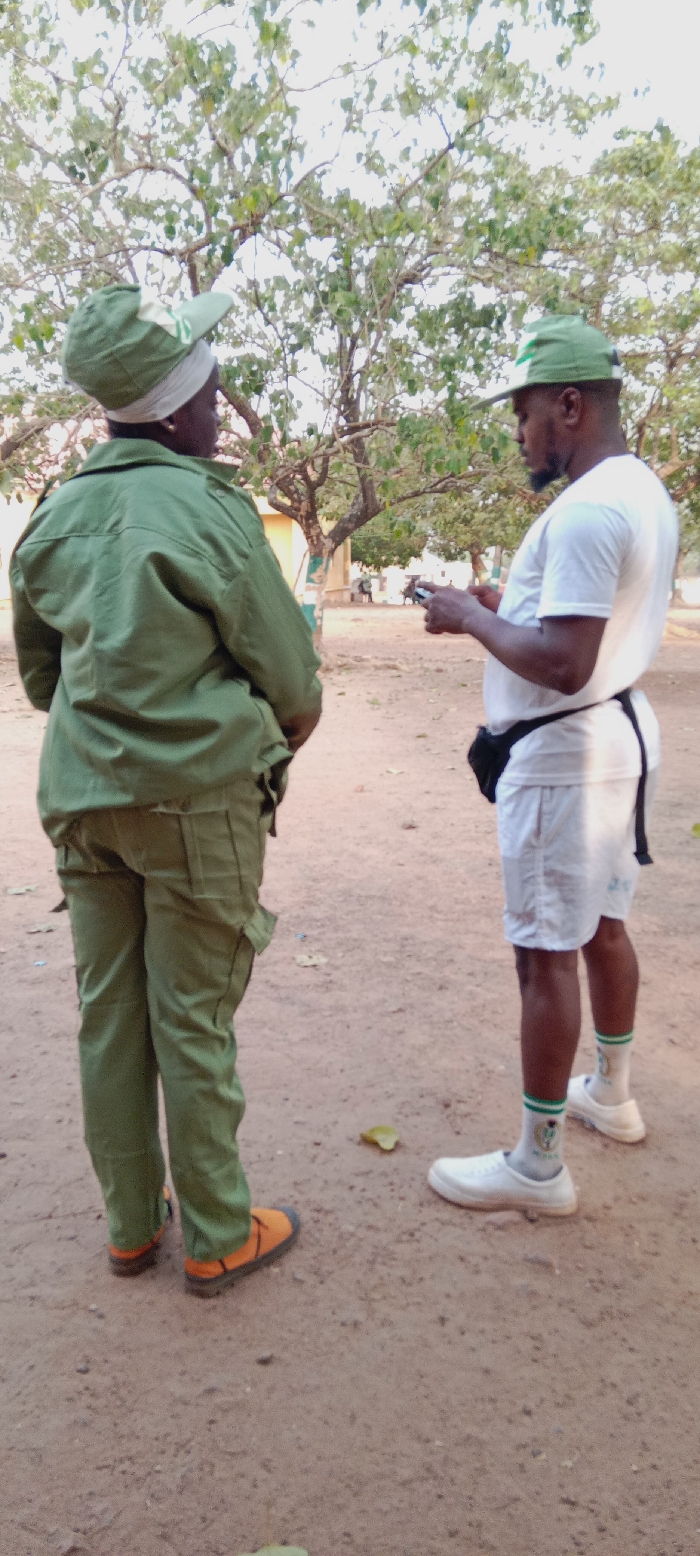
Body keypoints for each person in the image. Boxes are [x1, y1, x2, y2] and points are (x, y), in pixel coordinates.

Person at [10, 284, 322, 1292]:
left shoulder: (52, 516)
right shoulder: (211, 510)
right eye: (212, 395)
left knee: (110, 1014)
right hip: (196, 802)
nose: (218, 410)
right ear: (177, 413)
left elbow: (43, 680)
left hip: (82, 802)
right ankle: (220, 1230)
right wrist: (260, 737)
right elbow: (293, 683)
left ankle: (131, 1224)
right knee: (191, 1016)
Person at [421, 315, 677, 1216]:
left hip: (567, 755)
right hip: (615, 739)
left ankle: (537, 1165)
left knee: (544, 954)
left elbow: (565, 662)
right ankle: (611, 1092)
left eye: (524, 413)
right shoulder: (640, 489)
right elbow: (580, 625)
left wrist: (469, 617)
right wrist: (504, 607)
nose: (519, 433)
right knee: (603, 926)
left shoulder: (588, 511)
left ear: (570, 405)